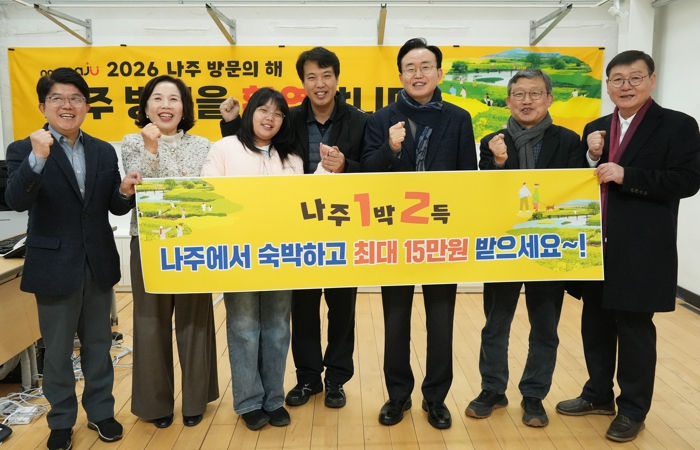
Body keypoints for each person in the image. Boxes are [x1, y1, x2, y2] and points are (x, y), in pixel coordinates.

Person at [555, 50, 700, 442]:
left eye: (635, 78)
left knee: (635, 329)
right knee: (595, 324)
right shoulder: (597, 127)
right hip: (596, 245)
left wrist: (627, 175)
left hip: (642, 248)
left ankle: (633, 409)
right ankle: (598, 394)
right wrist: (591, 157)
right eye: (617, 79)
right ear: (608, 85)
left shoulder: (677, 125)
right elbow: (579, 182)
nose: (626, 86)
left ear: (652, 80)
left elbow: (687, 181)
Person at [220, 47, 367, 410]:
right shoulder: (291, 118)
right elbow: (255, 146)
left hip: (344, 228)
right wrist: (231, 123)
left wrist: (346, 166)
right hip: (298, 231)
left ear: (337, 78)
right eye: (312, 76)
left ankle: (336, 379)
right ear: (303, 82)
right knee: (302, 308)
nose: (320, 83)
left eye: (326, 75)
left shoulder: (360, 120)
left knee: (342, 309)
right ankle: (308, 378)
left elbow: (373, 168)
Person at [4, 67, 140, 450]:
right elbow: (16, 200)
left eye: (76, 98)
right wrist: (37, 159)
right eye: (58, 99)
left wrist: (125, 191)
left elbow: (113, 206)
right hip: (53, 266)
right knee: (58, 352)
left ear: (86, 106)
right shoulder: (23, 149)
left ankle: (101, 412)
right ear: (43, 107)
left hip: (97, 262)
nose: (68, 105)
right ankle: (61, 421)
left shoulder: (102, 150)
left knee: (99, 346)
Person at [361, 37, 477, 430]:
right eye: (410, 68)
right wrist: (391, 149)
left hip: (442, 235)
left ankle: (436, 397)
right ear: (400, 76)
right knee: (395, 320)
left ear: (439, 73)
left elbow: (468, 178)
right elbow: (366, 173)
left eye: (426, 66)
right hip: (396, 235)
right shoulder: (381, 119)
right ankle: (397, 396)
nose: (418, 74)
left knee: (441, 320)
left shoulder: (458, 118)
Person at [465, 68, 583, 427]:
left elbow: (575, 192)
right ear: (508, 101)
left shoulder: (568, 141)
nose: (527, 101)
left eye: (535, 93)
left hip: (548, 248)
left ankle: (534, 394)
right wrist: (499, 162)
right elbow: (487, 194)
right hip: (505, 246)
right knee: (495, 324)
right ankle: (492, 389)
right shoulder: (492, 141)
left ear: (549, 98)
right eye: (519, 94)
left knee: (545, 327)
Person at [202, 87, 303, 431]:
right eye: (263, 110)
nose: (270, 118)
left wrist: (326, 171)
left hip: (280, 255)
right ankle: (248, 402)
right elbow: (209, 193)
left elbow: (303, 204)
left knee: (277, 328)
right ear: (249, 113)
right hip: (238, 255)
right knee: (244, 327)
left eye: (278, 113)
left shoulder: (291, 158)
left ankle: (273, 398)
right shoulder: (225, 148)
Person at [121, 75, 219, 430]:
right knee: (150, 323)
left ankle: (195, 399)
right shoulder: (132, 142)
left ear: (184, 107)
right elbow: (145, 189)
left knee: (196, 320)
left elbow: (201, 191)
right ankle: (155, 403)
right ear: (146, 107)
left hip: (192, 241)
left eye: (174, 99)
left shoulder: (203, 145)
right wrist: (151, 150)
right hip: (149, 241)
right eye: (157, 98)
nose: (166, 105)